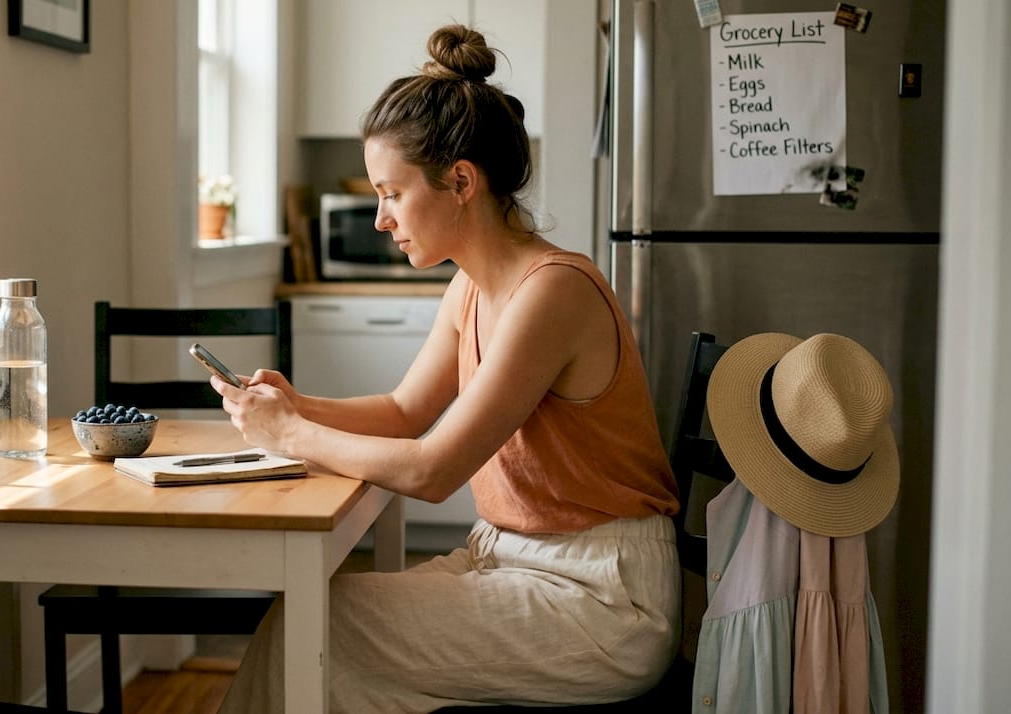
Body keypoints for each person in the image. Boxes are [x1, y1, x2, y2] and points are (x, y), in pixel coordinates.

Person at [212, 24, 680, 712]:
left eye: (392, 193)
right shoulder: (471, 285)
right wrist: (297, 405)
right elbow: (405, 412)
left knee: (316, 625)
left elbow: (431, 471)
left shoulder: (551, 290)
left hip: (600, 598)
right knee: (318, 620)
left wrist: (290, 436)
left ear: (460, 181)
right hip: (516, 561)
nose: (380, 219)